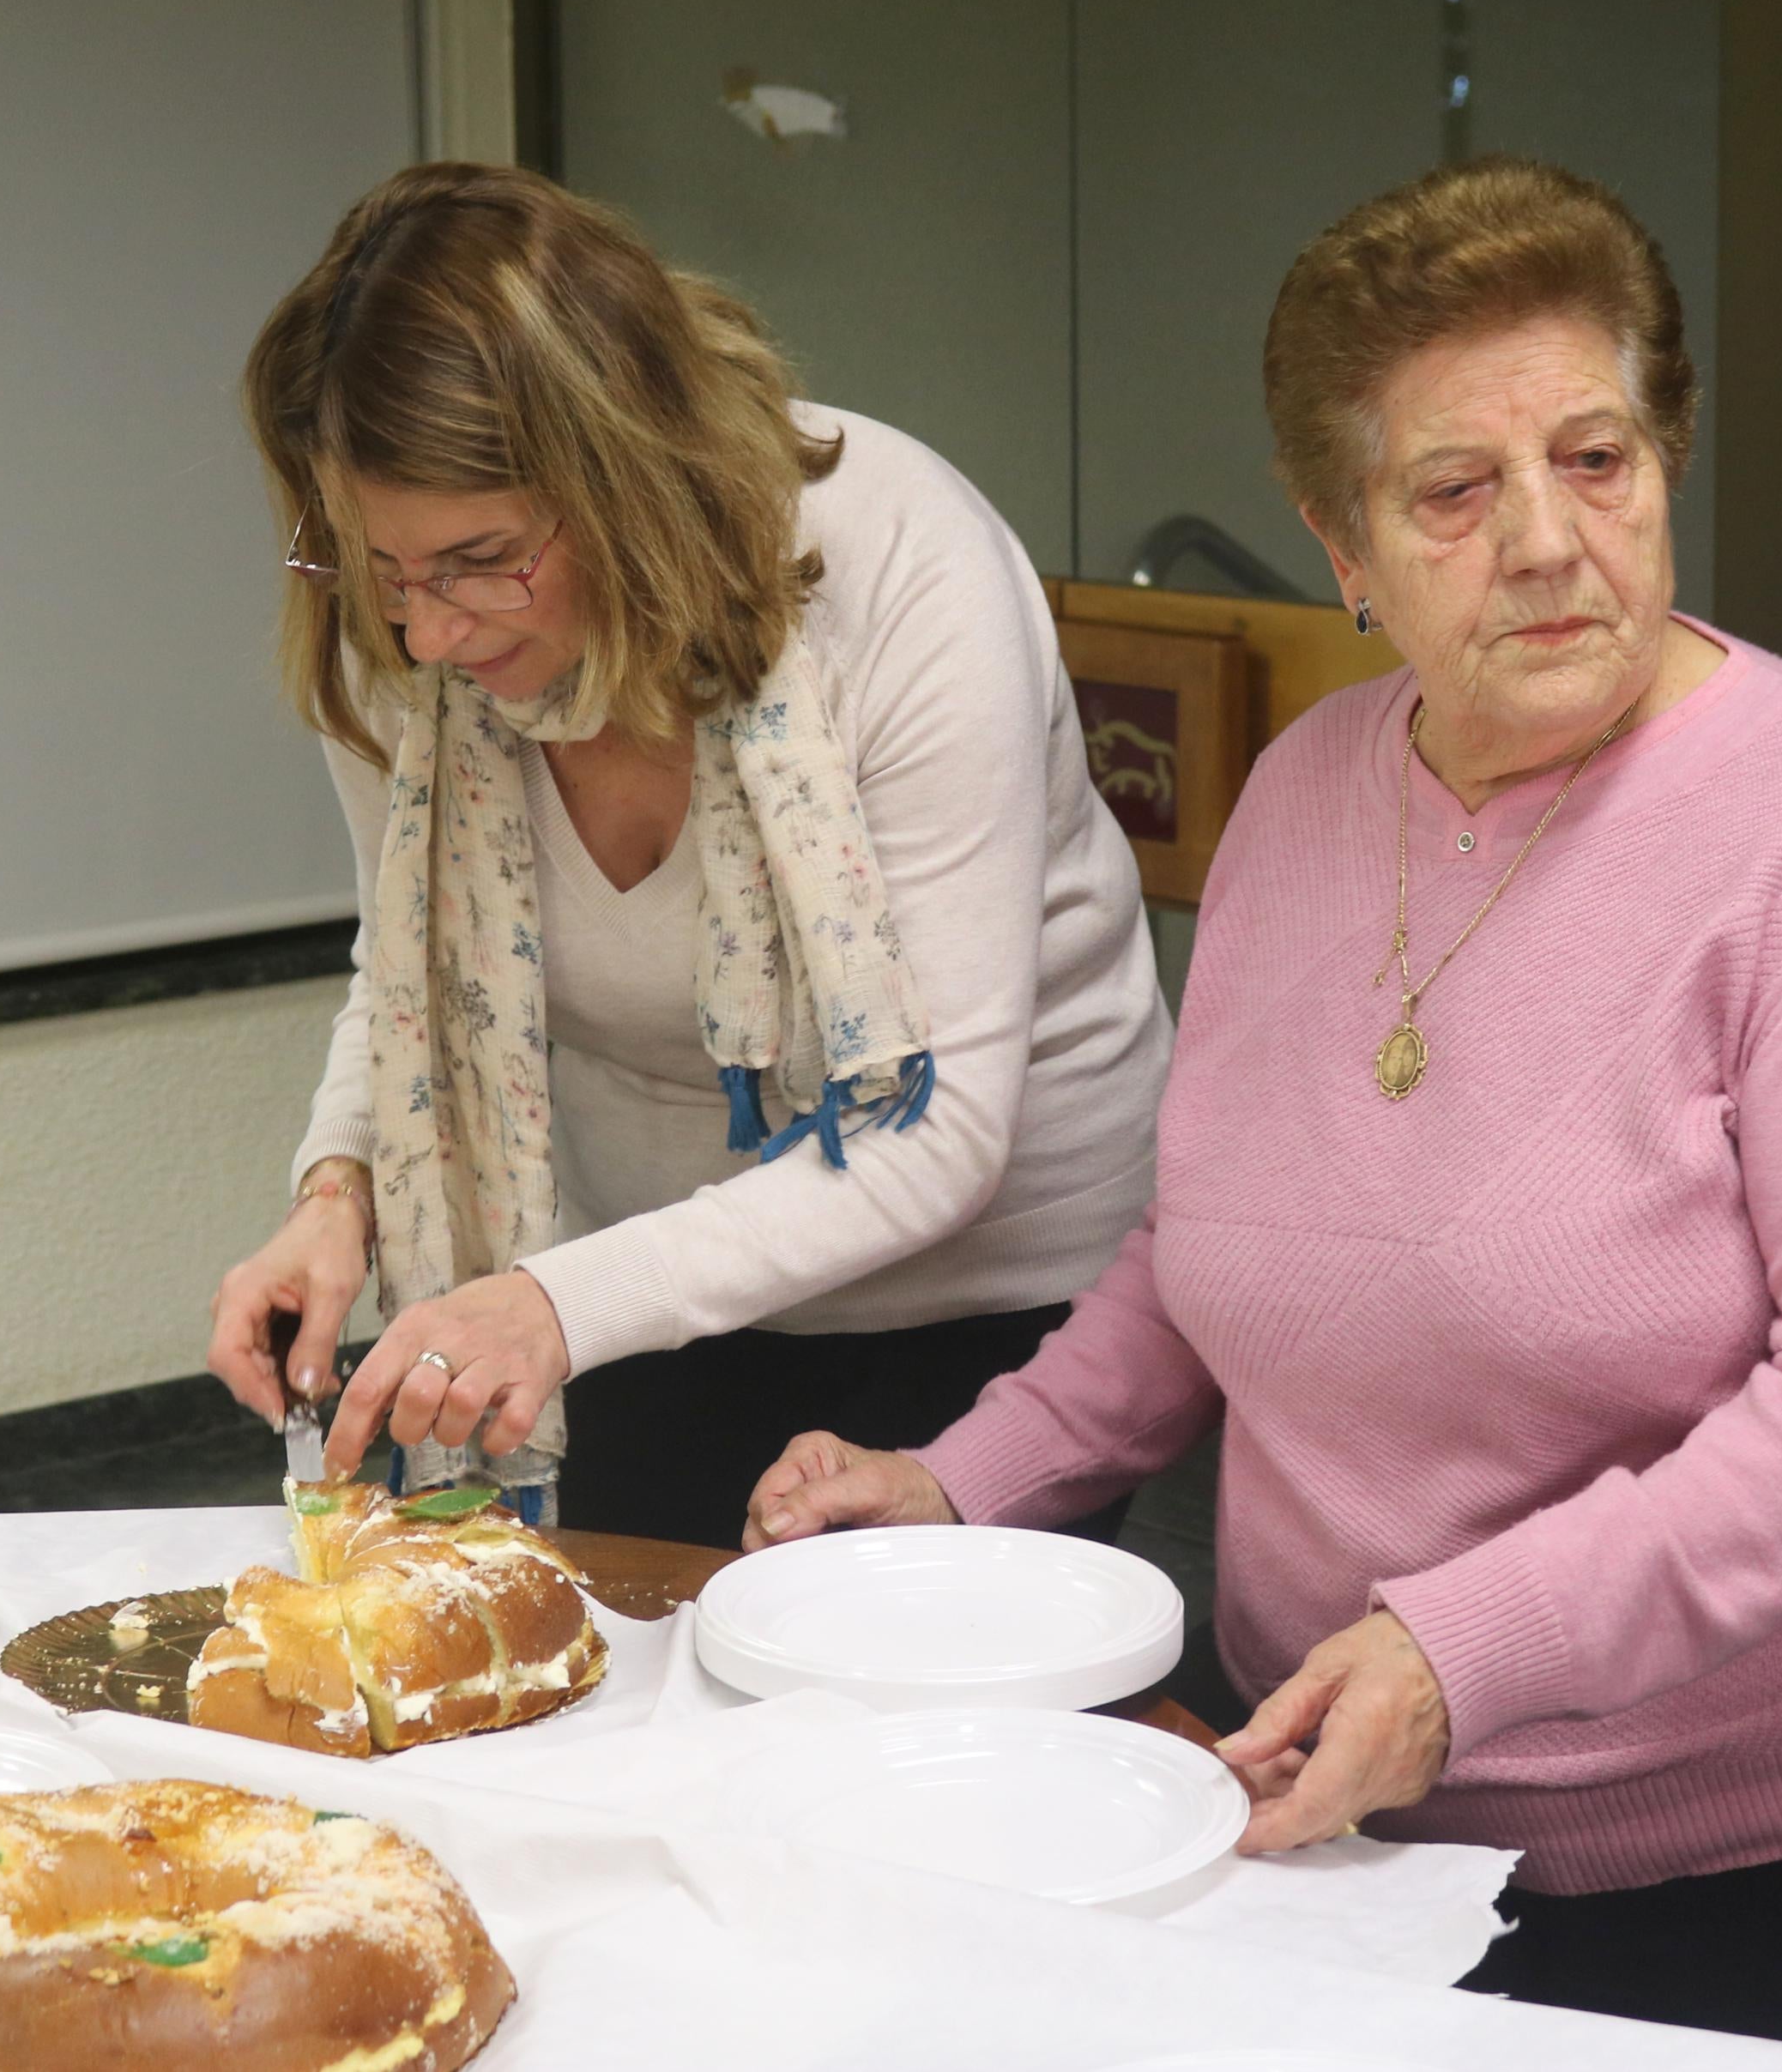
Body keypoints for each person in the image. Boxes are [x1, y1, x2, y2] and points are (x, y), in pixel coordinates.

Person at [745, 157, 1782, 2070]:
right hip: (1333, 1789)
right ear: (1341, 542)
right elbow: (1205, 1243)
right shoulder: (1305, 793)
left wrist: (1466, 1653)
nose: (1545, 538)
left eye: (1596, 460)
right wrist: (964, 1484)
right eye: (1457, 489)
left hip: (1761, 1845)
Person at [205, 161, 1169, 1546]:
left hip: (991, 1297)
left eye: (480, 560)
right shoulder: (404, 636)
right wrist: (335, 1189)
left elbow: (939, 1126)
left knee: (896, 1729)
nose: (429, 634)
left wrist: (554, 1303)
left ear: (624, 476)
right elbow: (406, 970)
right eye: (382, 570)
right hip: (639, 1286)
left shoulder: (899, 565)